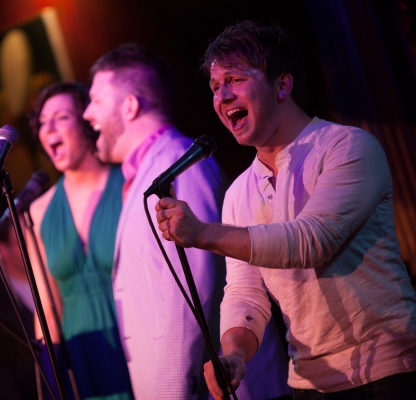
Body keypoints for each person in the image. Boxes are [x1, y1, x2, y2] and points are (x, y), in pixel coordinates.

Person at [154, 20, 416, 399]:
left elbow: (312, 241)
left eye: (235, 79)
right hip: (308, 383)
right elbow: (246, 292)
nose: (222, 96)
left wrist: (204, 233)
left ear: (282, 85)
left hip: (388, 372)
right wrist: (235, 355)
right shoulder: (240, 191)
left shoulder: (347, 146)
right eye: (214, 87)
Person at [83, 43, 291, 399]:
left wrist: (172, 391)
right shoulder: (144, 173)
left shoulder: (181, 161)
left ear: (130, 106)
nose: (87, 113)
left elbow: (194, 288)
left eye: (97, 100)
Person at [26, 81, 134, 399]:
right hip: (83, 347)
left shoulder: (129, 184)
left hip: (135, 335)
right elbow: (46, 306)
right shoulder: (39, 210)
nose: (49, 129)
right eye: (42, 122)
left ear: (87, 122)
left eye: (61, 117)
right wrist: (51, 375)